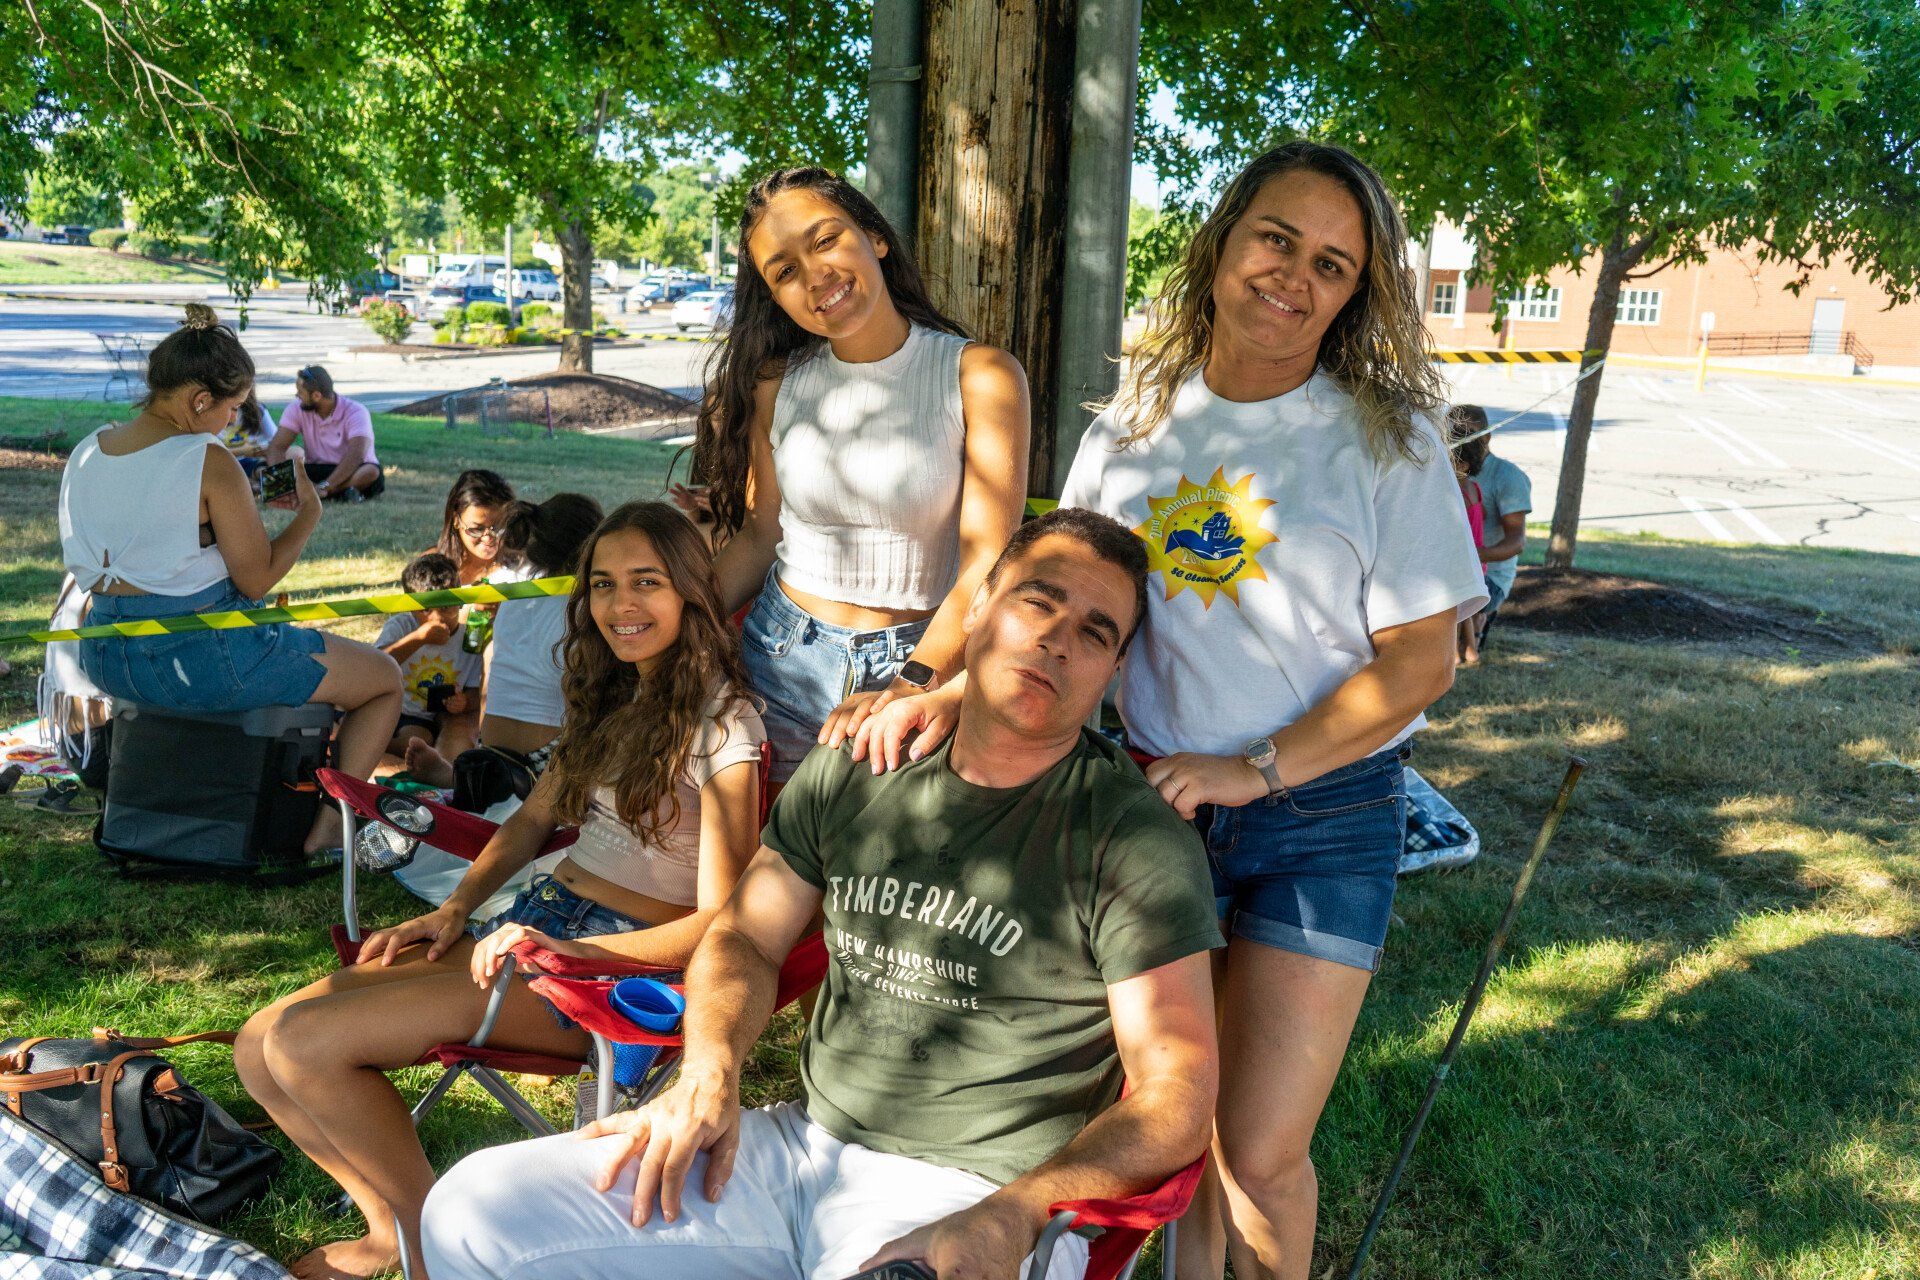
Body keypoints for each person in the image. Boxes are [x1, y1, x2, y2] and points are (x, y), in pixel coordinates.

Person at [859, 141, 1488, 1280]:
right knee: (1159, 1133)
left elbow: (1420, 662)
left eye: (1334, 265)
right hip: (1145, 814)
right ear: (1225, 239)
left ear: (1360, 293)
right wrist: (956, 685)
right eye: (1277, 239)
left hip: (1326, 814)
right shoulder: (1135, 427)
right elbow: (1069, 599)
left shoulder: (1387, 442)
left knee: (1258, 1150)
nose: (1295, 276)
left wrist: (1257, 765)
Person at [419, 507, 1221, 1280]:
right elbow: (746, 936)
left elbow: (1177, 1091)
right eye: (1036, 602)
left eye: (1094, 633)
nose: (1054, 640)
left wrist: (1021, 1209)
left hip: (969, 1194)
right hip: (795, 1149)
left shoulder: (1132, 838)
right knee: (471, 1213)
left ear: (1115, 672)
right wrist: (708, 1072)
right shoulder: (859, 764)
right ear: (978, 608)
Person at [235, 501, 767, 1280]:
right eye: (604, 585)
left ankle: (429, 1254)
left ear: (691, 591)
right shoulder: (615, 702)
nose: (622, 605)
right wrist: (455, 908)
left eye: (646, 583)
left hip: (604, 975)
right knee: (257, 1044)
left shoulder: (726, 729)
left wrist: (574, 950)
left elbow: (726, 921)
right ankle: (394, 1231)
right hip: (531, 926)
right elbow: (528, 824)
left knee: (305, 1044)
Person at [691, 166, 1031, 782]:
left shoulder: (980, 376)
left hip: (923, 666)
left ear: (873, 236)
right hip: (779, 664)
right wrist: (677, 626)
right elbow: (760, 536)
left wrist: (911, 686)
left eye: (825, 240)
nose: (815, 275)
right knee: (777, 869)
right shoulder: (777, 383)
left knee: (883, 876)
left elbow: (988, 562)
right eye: (785, 271)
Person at [57, 305, 401, 857]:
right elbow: (257, 580)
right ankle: (327, 834)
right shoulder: (205, 457)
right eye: (232, 408)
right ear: (199, 400)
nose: (231, 422)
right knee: (383, 678)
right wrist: (307, 514)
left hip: (104, 655)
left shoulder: (88, 448)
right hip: (196, 659)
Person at [405, 492, 605, 809]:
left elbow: (481, 626)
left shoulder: (511, 587)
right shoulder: (585, 606)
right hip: (538, 766)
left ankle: (458, 780)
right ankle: (469, 783)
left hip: (491, 752)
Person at [377, 553, 481, 761]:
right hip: (397, 708)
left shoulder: (471, 637)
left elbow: (478, 690)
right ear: (410, 607)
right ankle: (372, 741)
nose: (437, 617)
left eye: (445, 606)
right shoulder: (401, 626)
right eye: (426, 609)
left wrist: (464, 702)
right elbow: (377, 664)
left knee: (420, 741)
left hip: (433, 718)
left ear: (460, 602)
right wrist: (418, 639)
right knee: (416, 740)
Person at [1453, 405, 1531, 659]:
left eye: (1465, 433)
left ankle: (1471, 635)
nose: (1456, 440)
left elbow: (1516, 542)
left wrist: (1470, 557)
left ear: (1486, 437)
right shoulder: (1443, 470)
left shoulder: (1507, 476)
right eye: (1451, 433)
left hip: (1490, 578)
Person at [266, 364, 383, 500]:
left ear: (316, 395)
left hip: (351, 468)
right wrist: (281, 481)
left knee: (371, 472)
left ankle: (320, 492)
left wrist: (326, 486)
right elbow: (277, 446)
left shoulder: (356, 411)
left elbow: (357, 454)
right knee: (266, 467)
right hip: (316, 468)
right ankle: (342, 493)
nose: (297, 395)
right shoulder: (296, 409)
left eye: (300, 392)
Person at [1447, 406, 1490, 664]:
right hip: (1477, 562)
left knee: (1453, 610)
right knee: (1464, 611)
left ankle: (1453, 651)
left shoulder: (1456, 492)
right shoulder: (1474, 489)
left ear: (1462, 463)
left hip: (1462, 558)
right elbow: (1480, 517)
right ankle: (1472, 649)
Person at [433, 469, 518, 587]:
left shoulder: (525, 567)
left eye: (499, 526)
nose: (488, 538)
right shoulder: (432, 572)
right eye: (477, 529)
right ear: (456, 520)